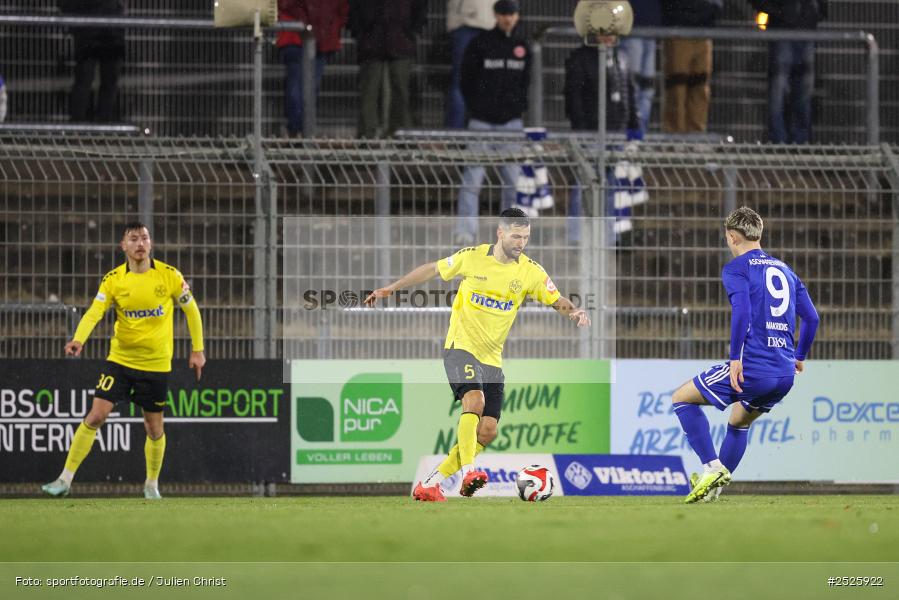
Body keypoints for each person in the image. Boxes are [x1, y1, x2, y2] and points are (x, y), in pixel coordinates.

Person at [364, 208, 591, 501]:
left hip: (492, 359)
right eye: (516, 236)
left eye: (526, 237)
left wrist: (573, 313)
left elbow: (555, 298)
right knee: (475, 400)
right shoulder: (472, 257)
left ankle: (430, 483)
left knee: (488, 430)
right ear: (500, 233)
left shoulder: (530, 271)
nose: (521, 242)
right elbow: (433, 269)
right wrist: (391, 289)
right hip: (460, 346)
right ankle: (469, 472)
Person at [42, 222, 206, 500]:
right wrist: (79, 339)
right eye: (134, 239)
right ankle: (64, 480)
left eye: (144, 238)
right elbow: (95, 311)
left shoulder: (169, 276)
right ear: (124, 246)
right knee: (96, 415)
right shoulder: (114, 279)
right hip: (120, 360)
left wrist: (197, 350)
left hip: (155, 364)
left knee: (154, 428)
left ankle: (152, 484)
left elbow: (192, 311)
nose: (140, 243)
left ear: (150, 243)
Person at [670, 207, 819, 503]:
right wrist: (799, 355)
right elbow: (812, 318)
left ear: (731, 236)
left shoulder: (737, 268)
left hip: (753, 367)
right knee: (739, 422)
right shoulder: (786, 271)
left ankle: (712, 468)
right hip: (784, 374)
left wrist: (735, 359)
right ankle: (713, 490)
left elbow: (742, 312)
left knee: (681, 398)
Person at [454, 0, 531, 245]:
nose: (508, 18)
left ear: (517, 16)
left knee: (512, 181)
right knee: (473, 179)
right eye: (504, 14)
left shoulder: (523, 46)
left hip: (511, 124)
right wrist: (479, 108)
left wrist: (516, 109)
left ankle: (511, 233)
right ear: (496, 15)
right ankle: (466, 233)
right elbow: (466, 80)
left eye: (512, 14)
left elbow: (526, 83)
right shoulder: (480, 44)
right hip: (482, 122)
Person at [564, 35, 645, 241]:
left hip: (616, 132)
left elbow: (628, 92)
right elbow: (573, 96)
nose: (611, 36)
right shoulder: (581, 57)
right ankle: (576, 236)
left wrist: (633, 125)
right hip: (591, 133)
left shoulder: (621, 56)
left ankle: (608, 238)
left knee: (613, 186)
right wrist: (582, 128)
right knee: (583, 183)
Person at [749, 0, 828, 143]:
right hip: (786, 29)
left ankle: (796, 140)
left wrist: (816, 11)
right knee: (782, 90)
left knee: (801, 90)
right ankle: (782, 140)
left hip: (803, 28)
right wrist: (779, 12)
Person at [348, 0, 428, 138]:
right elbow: (354, 9)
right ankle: (370, 135)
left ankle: (397, 134)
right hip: (378, 40)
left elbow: (420, 7)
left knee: (395, 90)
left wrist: (413, 31)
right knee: (371, 90)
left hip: (391, 39)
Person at [277, 0, 349, 137]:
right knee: (305, 89)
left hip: (304, 34)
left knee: (301, 88)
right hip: (312, 35)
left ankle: (298, 130)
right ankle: (301, 130)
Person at [59, 0, 126, 123]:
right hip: (102, 28)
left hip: (98, 28)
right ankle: (97, 126)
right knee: (93, 80)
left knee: (91, 80)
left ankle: (82, 126)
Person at [660, 0, 722, 133]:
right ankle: (675, 136)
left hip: (702, 31)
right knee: (677, 85)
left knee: (700, 84)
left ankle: (696, 134)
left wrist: (710, 11)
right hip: (679, 29)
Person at [445, 0, 496, 128]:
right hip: (485, 21)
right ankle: (486, 132)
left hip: (467, 21)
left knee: (461, 83)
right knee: (489, 81)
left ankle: (456, 135)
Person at [617, 0, 662, 132]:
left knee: (647, 88)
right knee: (632, 86)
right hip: (630, 28)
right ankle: (629, 133)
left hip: (650, 27)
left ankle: (638, 135)